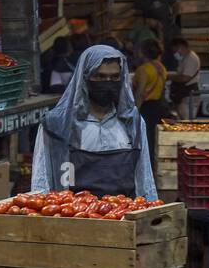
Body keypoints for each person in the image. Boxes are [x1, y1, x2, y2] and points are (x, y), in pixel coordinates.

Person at [31, 44, 157, 199]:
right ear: (85, 78)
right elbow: (41, 180)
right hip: (75, 216)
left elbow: (144, 177)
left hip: (123, 216)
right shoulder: (56, 125)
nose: (108, 83)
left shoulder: (133, 123)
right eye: (100, 77)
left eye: (114, 77)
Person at [132, 39, 170, 152]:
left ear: (142, 52)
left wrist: (135, 111)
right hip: (160, 106)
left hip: (147, 108)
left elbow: (140, 93)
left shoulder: (143, 69)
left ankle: (148, 167)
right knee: (156, 140)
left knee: (146, 140)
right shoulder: (162, 68)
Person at [134, 0, 181, 64]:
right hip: (154, 31)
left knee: (172, 51)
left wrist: (174, 15)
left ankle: (173, 69)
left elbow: (176, 4)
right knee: (158, 51)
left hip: (168, 28)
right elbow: (133, 10)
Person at [168, 37, 201, 120]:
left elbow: (184, 78)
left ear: (181, 47)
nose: (175, 54)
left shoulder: (191, 58)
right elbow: (179, 74)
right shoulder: (184, 58)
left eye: (175, 51)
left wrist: (168, 77)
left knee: (187, 121)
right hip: (183, 95)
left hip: (189, 95)